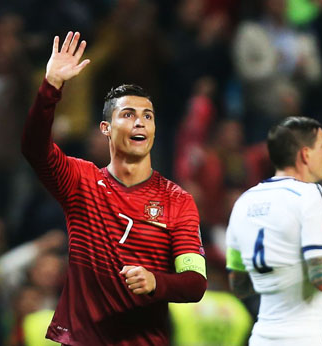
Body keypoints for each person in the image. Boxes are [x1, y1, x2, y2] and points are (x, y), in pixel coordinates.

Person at [21, 31, 207, 345]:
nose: (140, 123)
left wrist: (155, 282)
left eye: (147, 116)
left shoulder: (178, 200)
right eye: (128, 114)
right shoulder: (80, 181)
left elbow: (195, 283)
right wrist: (50, 87)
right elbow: (34, 148)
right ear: (105, 128)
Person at [225, 116, 322, 346]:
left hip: (263, 338)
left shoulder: (243, 203)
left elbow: (239, 286)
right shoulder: (314, 195)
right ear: (305, 154)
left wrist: (283, 269)